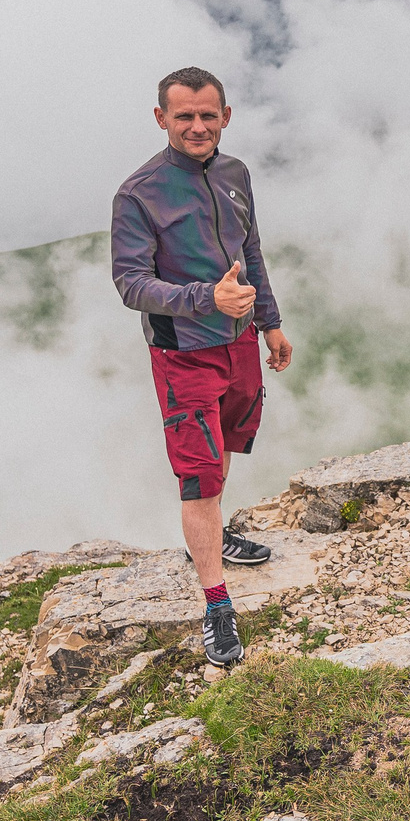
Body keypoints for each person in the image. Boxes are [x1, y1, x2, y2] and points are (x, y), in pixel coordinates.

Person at [111, 66, 293, 666]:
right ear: (161, 119)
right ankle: (217, 607)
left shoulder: (236, 174)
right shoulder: (139, 193)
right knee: (199, 472)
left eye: (207, 115)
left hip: (240, 342)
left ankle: (209, 540)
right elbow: (130, 283)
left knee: (225, 446)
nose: (196, 126)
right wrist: (202, 300)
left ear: (226, 117)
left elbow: (251, 254)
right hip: (183, 351)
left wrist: (270, 322)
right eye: (183, 116)